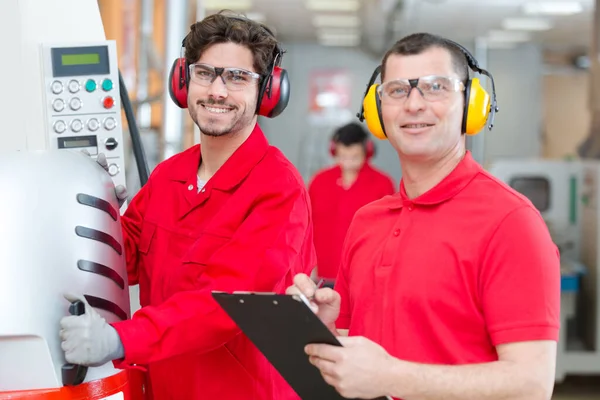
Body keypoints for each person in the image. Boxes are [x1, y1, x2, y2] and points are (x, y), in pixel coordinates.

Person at [288, 32, 560, 400]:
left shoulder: (511, 222)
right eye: (398, 90)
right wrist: (324, 332)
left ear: (472, 105)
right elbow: (362, 359)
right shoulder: (368, 221)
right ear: (377, 111)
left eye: (436, 87)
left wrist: (392, 377)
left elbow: (531, 385)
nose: (414, 104)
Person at [60, 12, 315, 400]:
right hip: (163, 388)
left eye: (237, 77)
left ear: (267, 92)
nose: (218, 91)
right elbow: (119, 261)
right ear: (184, 82)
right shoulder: (169, 176)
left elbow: (227, 304)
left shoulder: (278, 189)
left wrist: (118, 339)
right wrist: (93, 207)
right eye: (205, 73)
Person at [308, 122, 395, 286]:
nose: (348, 162)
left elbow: (390, 233)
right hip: (323, 276)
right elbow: (307, 228)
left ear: (367, 151)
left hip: (365, 276)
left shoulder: (383, 184)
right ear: (334, 151)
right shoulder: (319, 182)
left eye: (354, 157)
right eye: (343, 156)